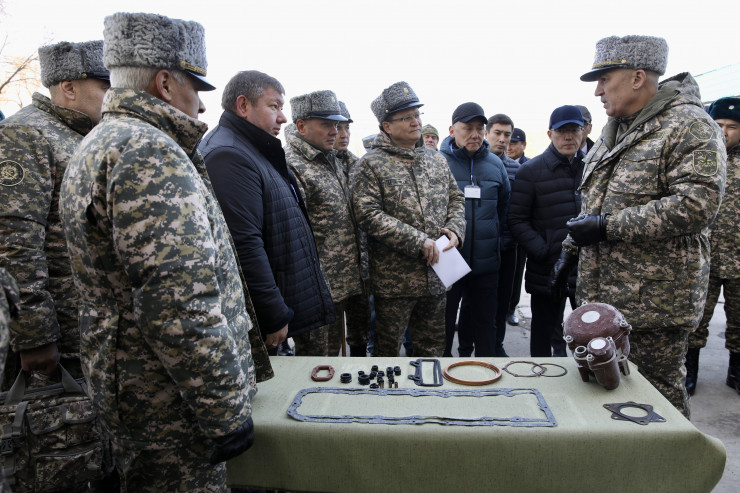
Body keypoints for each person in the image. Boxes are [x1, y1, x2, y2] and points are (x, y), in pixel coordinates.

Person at [60, 13, 267, 490]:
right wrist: (223, 409)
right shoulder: (147, 152)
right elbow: (179, 303)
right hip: (168, 404)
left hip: (137, 385)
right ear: (166, 83)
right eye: (196, 86)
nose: (201, 104)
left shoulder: (103, 141)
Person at [558, 35, 726, 417]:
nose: (598, 91)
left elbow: (697, 203)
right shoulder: (615, 129)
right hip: (602, 297)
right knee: (603, 393)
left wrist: (607, 227)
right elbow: (595, 201)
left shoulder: (689, 126)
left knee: (656, 400)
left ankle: (672, 459)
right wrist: (571, 251)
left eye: (604, 79)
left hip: (654, 305)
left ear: (637, 78)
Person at [199, 70, 334, 359]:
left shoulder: (253, 149)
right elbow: (244, 244)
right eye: (274, 106)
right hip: (260, 317)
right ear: (243, 105)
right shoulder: (228, 155)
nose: (282, 118)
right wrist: (272, 312)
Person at [0, 40, 110, 389]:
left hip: (90, 331)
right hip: (57, 345)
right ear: (69, 87)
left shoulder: (82, 134)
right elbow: (14, 240)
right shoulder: (25, 134)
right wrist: (34, 334)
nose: (113, 97)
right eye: (105, 87)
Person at [353, 81, 465, 357]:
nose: (416, 122)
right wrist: (417, 241)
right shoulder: (370, 164)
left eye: (417, 115)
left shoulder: (436, 160)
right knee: (388, 353)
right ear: (387, 126)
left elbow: (456, 198)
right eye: (407, 117)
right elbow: (367, 213)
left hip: (437, 275)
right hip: (395, 283)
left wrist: (455, 229)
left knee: (432, 351)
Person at [285, 90, 368, 356]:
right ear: (301, 126)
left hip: (347, 280)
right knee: (320, 361)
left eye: (338, 124)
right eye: (326, 124)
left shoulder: (331, 158)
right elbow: (292, 237)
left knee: (346, 355)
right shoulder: (291, 166)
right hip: (318, 289)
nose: (335, 131)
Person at [509, 105, 585, 357]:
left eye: (574, 130)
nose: (568, 137)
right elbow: (517, 219)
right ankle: (540, 374)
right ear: (550, 134)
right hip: (547, 268)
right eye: (562, 131)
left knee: (590, 331)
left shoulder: (591, 168)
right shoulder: (531, 171)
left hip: (586, 267)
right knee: (543, 332)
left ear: (583, 132)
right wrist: (544, 250)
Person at [440, 103, 509, 357]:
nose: (475, 134)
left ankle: (485, 373)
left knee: (485, 325)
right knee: (443, 325)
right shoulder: (438, 163)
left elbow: (503, 208)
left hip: (486, 263)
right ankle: (443, 372)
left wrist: (493, 241)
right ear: (452, 130)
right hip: (448, 260)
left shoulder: (495, 165)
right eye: (468, 128)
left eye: (480, 128)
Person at [685, 97, 740, 396]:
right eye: (719, 125)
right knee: (696, 319)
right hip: (704, 258)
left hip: (739, 259)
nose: (724, 132)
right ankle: (689, 373)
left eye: (732, 126)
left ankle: (736, 373)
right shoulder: (701, 157)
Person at [485, 113, 520, 356]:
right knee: (477, 301)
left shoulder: (517, 169)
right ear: (487, 133)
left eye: (507, 134)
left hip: (507, 246)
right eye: (497, 133)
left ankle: (497, 344)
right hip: (480, 246)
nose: (502, 139)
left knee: (503, 300)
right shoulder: (475, 164)